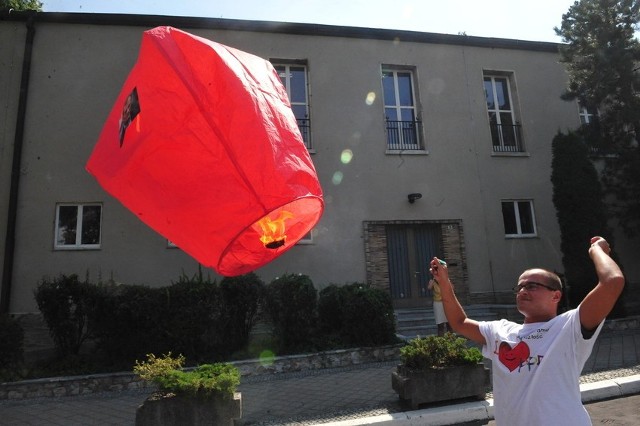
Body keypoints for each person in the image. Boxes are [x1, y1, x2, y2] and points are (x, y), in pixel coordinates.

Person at [429, 236, 624, 425]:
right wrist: (445, 284)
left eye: (532, 286)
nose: (523, 290)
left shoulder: (569, 326)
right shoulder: (500, 330)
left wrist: (597, 250)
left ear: (555, 296)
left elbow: (612, 282)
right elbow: (459, 322)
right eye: (520, 286)